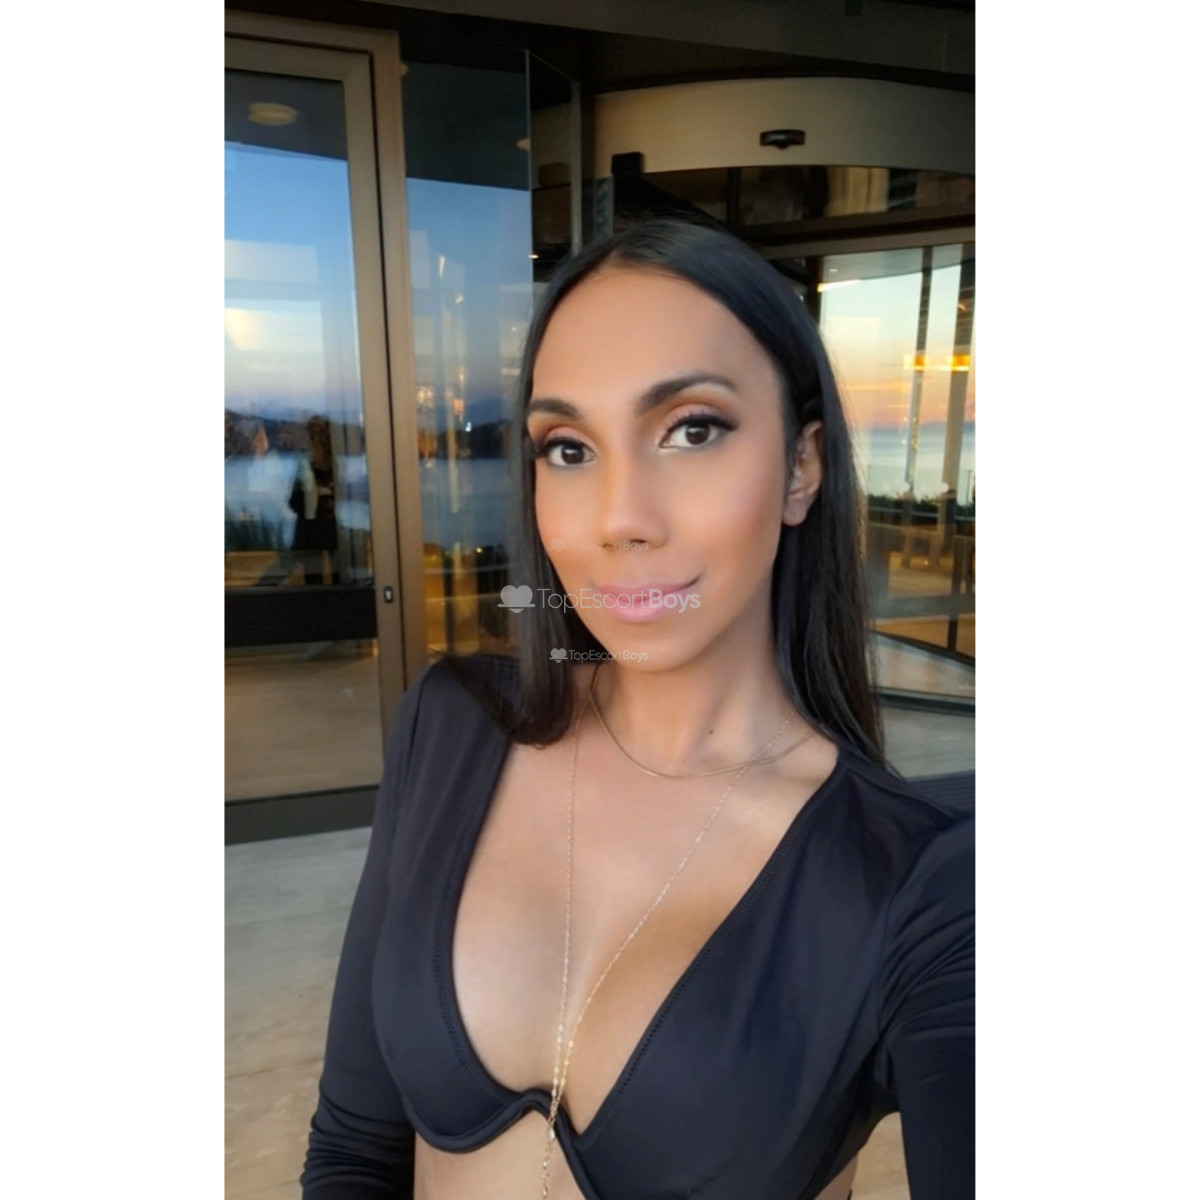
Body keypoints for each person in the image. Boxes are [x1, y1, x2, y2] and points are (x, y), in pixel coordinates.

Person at [300, 216, 974, 1200]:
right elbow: (356, 1152)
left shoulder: (915, 883)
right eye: (569, 448)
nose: (620, 518)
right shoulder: (450, 728)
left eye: (692, 430)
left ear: (801, 468)